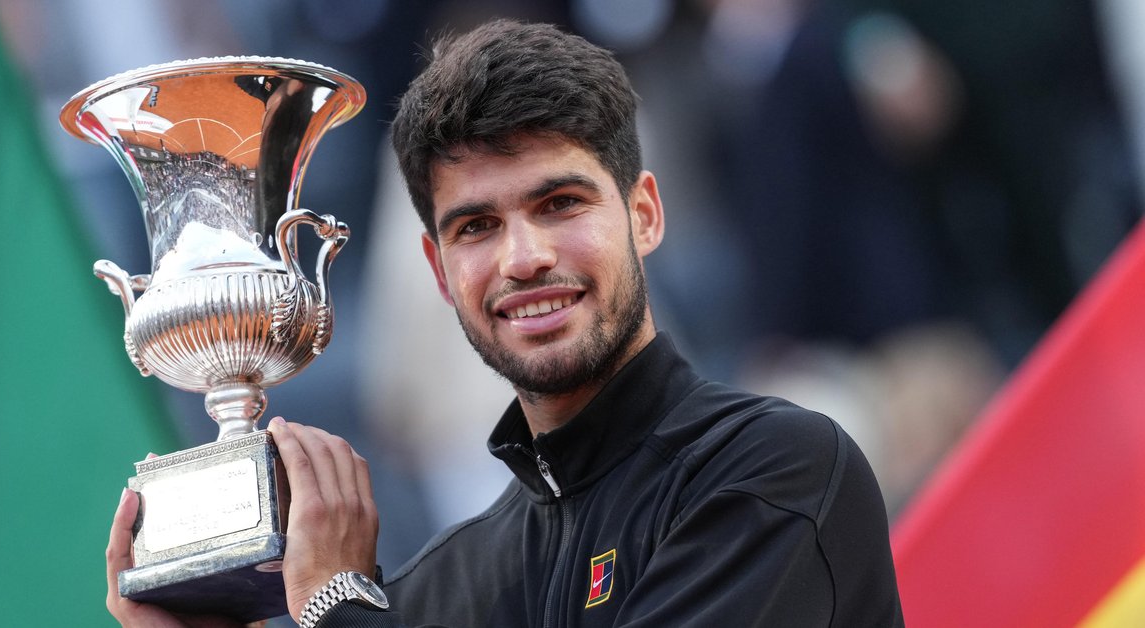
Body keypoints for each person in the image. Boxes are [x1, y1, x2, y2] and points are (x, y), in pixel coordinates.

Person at [106, 19, 904, 627]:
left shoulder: (775, 471)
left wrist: (336, 607)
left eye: (560, 204)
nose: (523, 257)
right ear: (438, 272)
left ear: (646, 214)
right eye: (476, 227)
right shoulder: (445, 583)